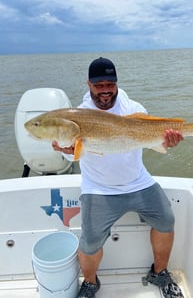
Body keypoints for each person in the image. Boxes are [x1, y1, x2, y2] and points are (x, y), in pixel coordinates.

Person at [52, 57, 184, 298]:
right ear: (88, 84)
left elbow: (153, 138)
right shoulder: (79, 116)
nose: (105, 90)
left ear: (116, 83)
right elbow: (75, 155)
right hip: (99, 188)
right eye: (98, 85)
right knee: (90, 242)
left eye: (109, 84)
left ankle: (160, 272)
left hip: (138, 181)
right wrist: (67, 151)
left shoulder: (134, 109)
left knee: (166, 219)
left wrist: (167, 140)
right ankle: (91, 283)